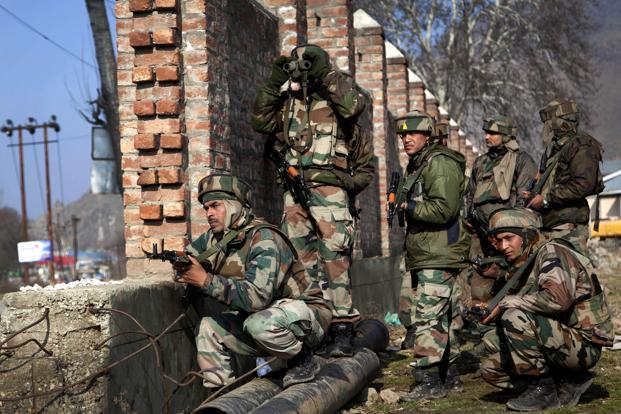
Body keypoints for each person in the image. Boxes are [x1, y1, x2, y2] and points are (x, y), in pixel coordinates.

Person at [251, 44, 374, 357]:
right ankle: (316, 323)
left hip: (330, 192)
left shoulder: (339, 94)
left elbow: (354, 106)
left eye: (307, 64)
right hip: (294, 191)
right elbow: (260, 122)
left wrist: (326, 72)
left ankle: (344, 327)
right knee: (301, 259)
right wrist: (273, 82)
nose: (301, 70)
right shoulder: (288, 103)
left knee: (334, 257)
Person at [174, 174, 332, 390]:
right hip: (262, 321)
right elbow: (191, 256)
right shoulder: (215, 238)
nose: (209, 213)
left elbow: (257, 298)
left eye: (215, 205)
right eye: (206, 208)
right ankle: (222, 398)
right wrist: (182, 265)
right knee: (208, 328)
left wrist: (205, 280)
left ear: (234, 205)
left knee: (258, 323)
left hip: (305, 321)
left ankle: (302, 359)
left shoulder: (264, 238)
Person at [479, 207, 613, 411]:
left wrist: (508, 302)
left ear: (527, 235)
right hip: (563, 338)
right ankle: (567, 381)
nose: (503, 246)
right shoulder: (529, 258)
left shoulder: (553, 252)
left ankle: (543, 390)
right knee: (490, 363)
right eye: (499, 240)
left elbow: (558, 300)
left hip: (585, 343)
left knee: (515, 318)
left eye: (509, 238)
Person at [392, 110, 470, 401]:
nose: (406, 139)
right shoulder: (419, 164)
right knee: (440, 318)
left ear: (428, 136)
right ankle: (448, 377)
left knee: (427, 318)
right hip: (427, 251)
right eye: (402, 135)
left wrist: (407, 208)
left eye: (412, 134)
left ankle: (427, 380)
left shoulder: (439, 164)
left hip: (437, 252)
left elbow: (444, 210)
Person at [463, 116, 536, 345]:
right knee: (479, 281)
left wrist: (508, 229)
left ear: (506, 135)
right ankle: (483, 337)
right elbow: (470, 192)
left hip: (508, 234)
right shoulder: (481, 162)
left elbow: (524, 198)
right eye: (486, 132)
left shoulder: (522, 160)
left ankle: (509, 335)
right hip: (480, 232)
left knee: (508, 282)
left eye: (492, 133)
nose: (487, 137)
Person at [526, 99, 604, 256]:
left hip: (569, 227)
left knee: (572, 276)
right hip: (550, 224)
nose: (547, 125)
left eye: (550, 119)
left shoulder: (581, 146)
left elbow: (583, 184)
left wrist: (546, 199)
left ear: (562, 120)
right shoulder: (554, 148)